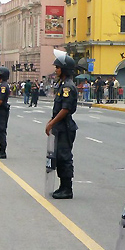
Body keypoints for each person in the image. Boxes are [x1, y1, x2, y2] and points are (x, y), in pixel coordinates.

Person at [44, 53, 78, 199]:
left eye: (58, 67)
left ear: (64, 69)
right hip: (60, 127)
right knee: (58, 156)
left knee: (64, 157)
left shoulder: (68, 87)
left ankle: (67, 188)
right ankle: (62, 186)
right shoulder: (63, 85)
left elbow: (65, 109)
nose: (56, 70)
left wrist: (52, 122)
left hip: (65, 127)